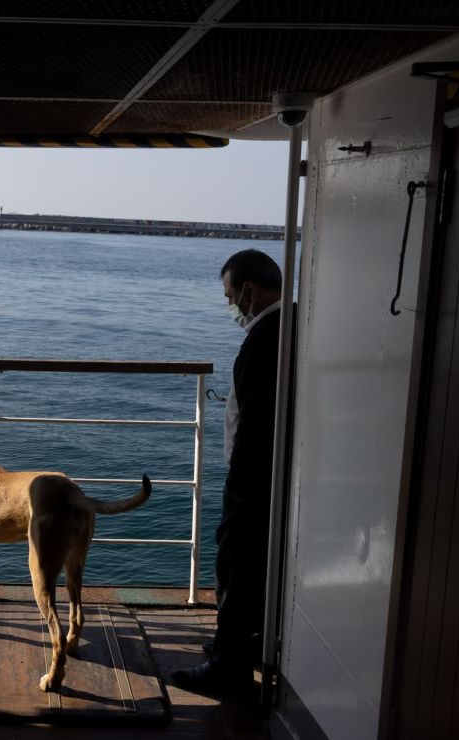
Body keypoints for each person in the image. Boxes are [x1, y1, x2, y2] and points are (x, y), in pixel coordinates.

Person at [171, 248, 284, 696]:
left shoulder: (263, 340)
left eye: (230, 296)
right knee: (254, 568)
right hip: (271, 480)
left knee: (235, 563)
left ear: (250, 291)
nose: (230, 306)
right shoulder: (289, 328)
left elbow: (256, 428)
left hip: (253, 483)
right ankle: (239, 644)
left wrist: (238, 488)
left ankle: (228, 667)